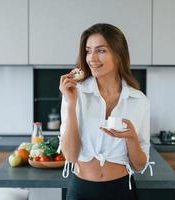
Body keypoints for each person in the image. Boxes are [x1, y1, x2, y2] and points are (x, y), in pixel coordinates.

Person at [58, 23, 151, 200]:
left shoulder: (139, 101)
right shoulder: (76, 94)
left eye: (101, 50)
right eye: (88, 51)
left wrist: (131, 137)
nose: (91, 58)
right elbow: (70, 156)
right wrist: (70, 104)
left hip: (121, 190)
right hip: (81, 191)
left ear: (119, 55)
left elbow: (139, 165)